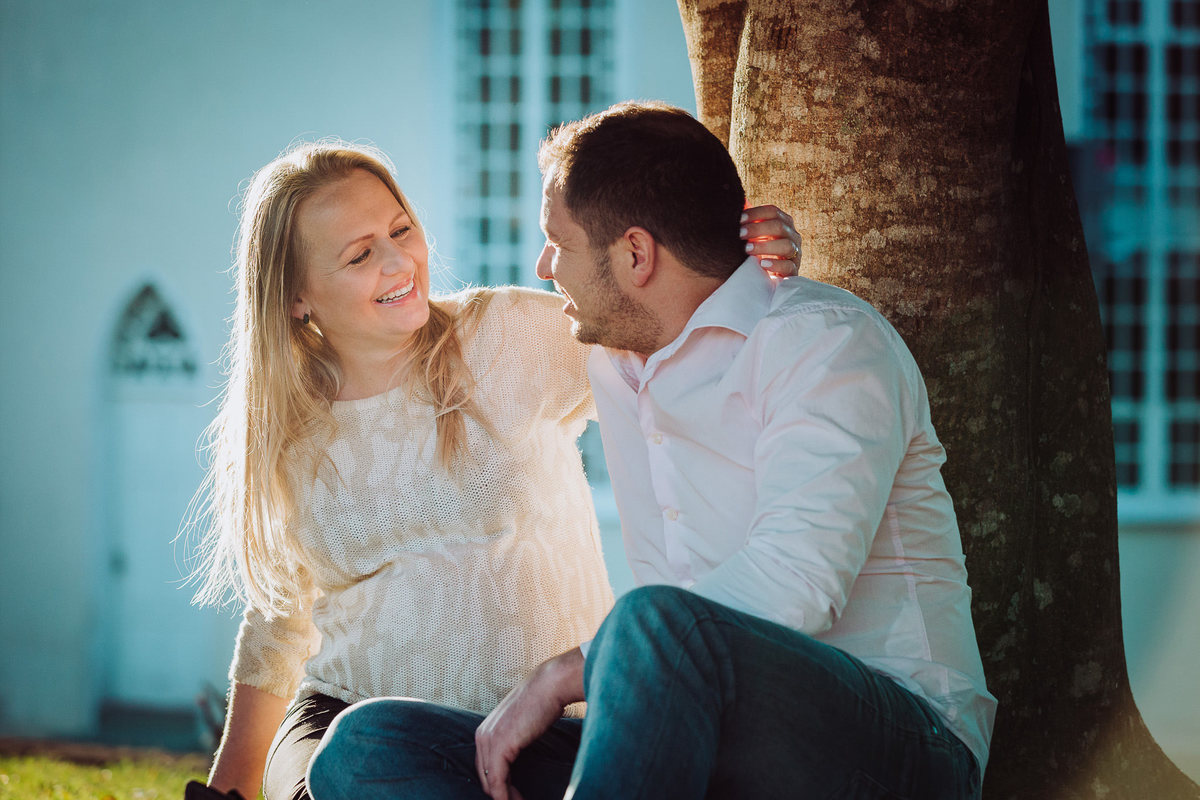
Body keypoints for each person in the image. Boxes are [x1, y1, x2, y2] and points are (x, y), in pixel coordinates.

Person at [308, 102, 996, 800]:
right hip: (689, 745)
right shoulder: (613, 357)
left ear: (636, 255)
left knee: (653, 619)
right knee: (367, 749)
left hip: (900, 747)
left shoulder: (826, 344)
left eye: (558, 242)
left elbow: (795, 584)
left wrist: (566, 672)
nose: (543, 266)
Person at [189, 138, 802, 800]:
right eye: (360, 255)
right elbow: (279, 622)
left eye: (401, 230)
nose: (399, 262)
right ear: (296, 298)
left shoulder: (504, 337)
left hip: (539, 731)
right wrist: (229, 788)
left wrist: (742, 275)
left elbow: (669, 357)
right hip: (343, 725)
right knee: (350, 769)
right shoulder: (291, 429)